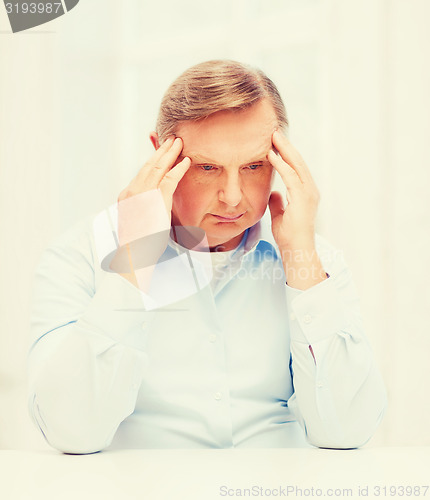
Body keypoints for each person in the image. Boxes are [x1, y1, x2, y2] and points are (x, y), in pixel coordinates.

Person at [28, 59, 387, 454]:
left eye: (253, 165)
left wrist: (301, 258)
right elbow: (71, 434)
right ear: (159, 155)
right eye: (207, 167)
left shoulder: (316, 262)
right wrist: (133, 263)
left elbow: (348, 432)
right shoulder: (78, 256)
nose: (233, 197)